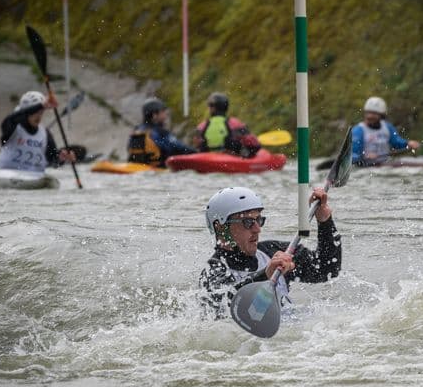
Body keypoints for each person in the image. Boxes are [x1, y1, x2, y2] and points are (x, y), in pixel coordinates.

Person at [199, 186, 341, 317]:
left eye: (259, 220)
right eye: (247, 222)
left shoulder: (274, 251)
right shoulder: (213, 271)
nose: (257, 229)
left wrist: (325, 222)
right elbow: (223, 303)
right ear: (221, 228)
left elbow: (327, 269)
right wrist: (265, 275)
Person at [0, 91, 76, 172]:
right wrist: (41, 105)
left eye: (41, 112)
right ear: (26, 112)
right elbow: (11, 117)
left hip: (33, 178)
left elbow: (53, 160)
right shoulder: (11, 126)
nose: (38, 116)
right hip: (7, 174)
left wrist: (62, 158)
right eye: (35, 112)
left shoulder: (45, 134)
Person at [127, 97, 196, 167]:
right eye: (162, 111)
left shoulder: (137, 130)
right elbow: (180, 148)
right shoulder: (160, 133)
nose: (165, 115)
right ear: (154, 115)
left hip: (136, 168)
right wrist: (197, 152)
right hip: (158, 170)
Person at [351, 96, 419, 166]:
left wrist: (408, 143)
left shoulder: (387, 127)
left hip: (384, 166)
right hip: (366, 167)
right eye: (368, 113)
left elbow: (396, 142)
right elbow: (352, 155)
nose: (370, 116)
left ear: (381, 115)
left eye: (374, 113)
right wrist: (364, 156)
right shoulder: (358, 131)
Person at [193, 92, 261, 158]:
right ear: (226, 107)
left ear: (212, 108)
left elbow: (197, 145)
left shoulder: (201, 126)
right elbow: (255, 145)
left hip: (207, 159)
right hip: (231, 159)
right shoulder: (235, 123)